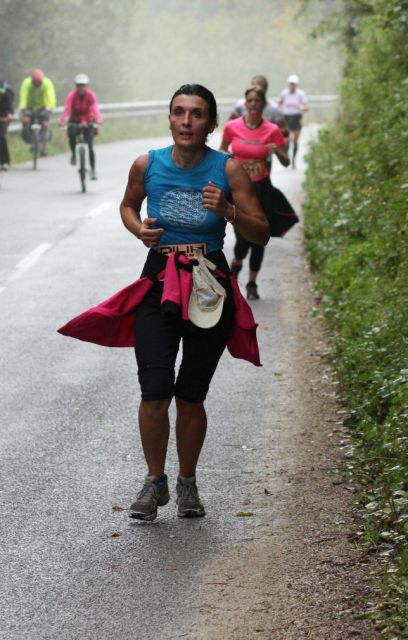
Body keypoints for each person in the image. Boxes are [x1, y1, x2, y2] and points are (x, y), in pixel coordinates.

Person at [58, 83, 269, 522]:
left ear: (210, 123)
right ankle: (154, 481)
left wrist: (228, 211)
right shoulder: (146, 164)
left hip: (209, 285)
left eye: (196, 114)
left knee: (191, 394)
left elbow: (260, 232)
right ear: (169, 119)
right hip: (158, 280)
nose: (186, 121)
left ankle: (187, 483)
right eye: (179, 112)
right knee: (154, 390)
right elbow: (127, 206)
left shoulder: (229, 170)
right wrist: (139, 230)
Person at [220, 86, 290, 300]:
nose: (252, 105)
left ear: (263, 104)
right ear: (245, 103)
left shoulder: (272, 130)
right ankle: (237, 261)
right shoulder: (232, 127)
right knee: (242, 235)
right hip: (239, 189)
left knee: (260, 236)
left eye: (256, 101)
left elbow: (286, 162)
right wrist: (230, 158)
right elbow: (222, 151)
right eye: (249, 101)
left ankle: (252, 282)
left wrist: (277, 150)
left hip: (262, 189)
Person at [59, 73, 102, 180]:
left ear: (87, 86)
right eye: (79, 85)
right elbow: (67, 108)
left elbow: (94, 107)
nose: (81, 87)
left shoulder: (91, 95)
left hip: (88, 120)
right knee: (72, 134)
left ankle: (93, 170)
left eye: (83, 85)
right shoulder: (72, 96)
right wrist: (62, 120)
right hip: (75, 120)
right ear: (76, 86)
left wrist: (99, 118)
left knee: (90, 145)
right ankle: (74, 154)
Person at [18, 69, 56, 156]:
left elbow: (51, 96)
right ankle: (28, 139)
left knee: (45, 124)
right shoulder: (26, 83)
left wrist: (50, 108)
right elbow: (23, 96)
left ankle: (44, 147)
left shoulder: (47, 83)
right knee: (26, 120)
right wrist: (23, 108)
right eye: (35, 83)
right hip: (30, 107)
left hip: (43, 107)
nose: (37, 85)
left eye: (38, 83)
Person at [278, 74, 309, 169]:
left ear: (296, 85)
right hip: (287, 117)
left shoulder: (300, 94)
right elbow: (279, 104)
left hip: (296, 117)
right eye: (291, 84)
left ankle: (294, 160)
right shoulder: (284, 93)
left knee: (295, 140)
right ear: (288, 84)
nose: (292, 86)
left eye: (294, 84)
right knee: (287, 140)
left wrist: (300, 107)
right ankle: (287, 157)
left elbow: (306, 106)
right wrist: (281, 111)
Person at [0, 80, 14, 170]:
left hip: (3, 118)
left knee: (1, 137)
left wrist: (8, 115)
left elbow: (10, 109)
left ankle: (5, 162)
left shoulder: (5, 94)